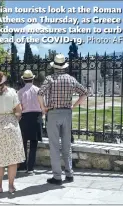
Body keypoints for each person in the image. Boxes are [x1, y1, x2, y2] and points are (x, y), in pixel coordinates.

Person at [37, 54, 88, 185]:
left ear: (54, 66)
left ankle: (57, 176)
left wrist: (43, 108)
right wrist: (74, 106)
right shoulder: (71, 79)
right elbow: (85, 93)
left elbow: (40, 94)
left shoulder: (50, 79)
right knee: (67, 145)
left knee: (54, 146)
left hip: (53, 113)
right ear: (64, 66)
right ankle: (69, 173)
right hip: (67, 113)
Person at [17, 70, 43, 175]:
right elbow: (42, 104)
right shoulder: (38, 90)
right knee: (33, 144)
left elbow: (18, 107)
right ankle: (31, 168)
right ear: (33, 79)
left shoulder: (20, 92)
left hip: (25, 117)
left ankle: (23, 165)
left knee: (22, 143)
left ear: (23, 80)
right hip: (36, 117)